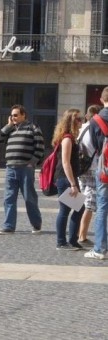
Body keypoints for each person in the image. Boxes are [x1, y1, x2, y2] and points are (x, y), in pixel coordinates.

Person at [0, 104, 45, 234]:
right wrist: (8, 125)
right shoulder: (10, 129)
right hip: (10, 167)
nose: (14, 117)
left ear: (24, 115)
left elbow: (40, 147)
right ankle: (9, 226)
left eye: (16, 115)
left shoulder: (33, 128)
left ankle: (36, 224)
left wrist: (32, 163)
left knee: (29, 198)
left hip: (25, 168)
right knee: (9, 198)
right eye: (12, 115)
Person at [50, 109, 85, 250]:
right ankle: (61, 242)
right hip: (66, 179)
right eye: (78, 119)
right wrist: (72, 184)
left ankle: (72, 240)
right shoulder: (67, 139)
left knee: (79, 208)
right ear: (71, 121)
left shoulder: (70, 138)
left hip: (68, 178)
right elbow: (65, 163)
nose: (81, 121)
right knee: (65, 210)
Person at [86, 87, 108, 260]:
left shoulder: (96, 120)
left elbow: (93, 145)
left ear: (101, 100)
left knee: (102, 208)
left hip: (104, 168)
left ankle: (100, 248)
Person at [78, 104, 101, 245]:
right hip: (92, 169)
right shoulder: (95, 129)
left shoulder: (82, 128)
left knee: (79, 201)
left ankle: (74, 232)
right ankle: (82, 236)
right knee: (90, 205)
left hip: (80, 169)